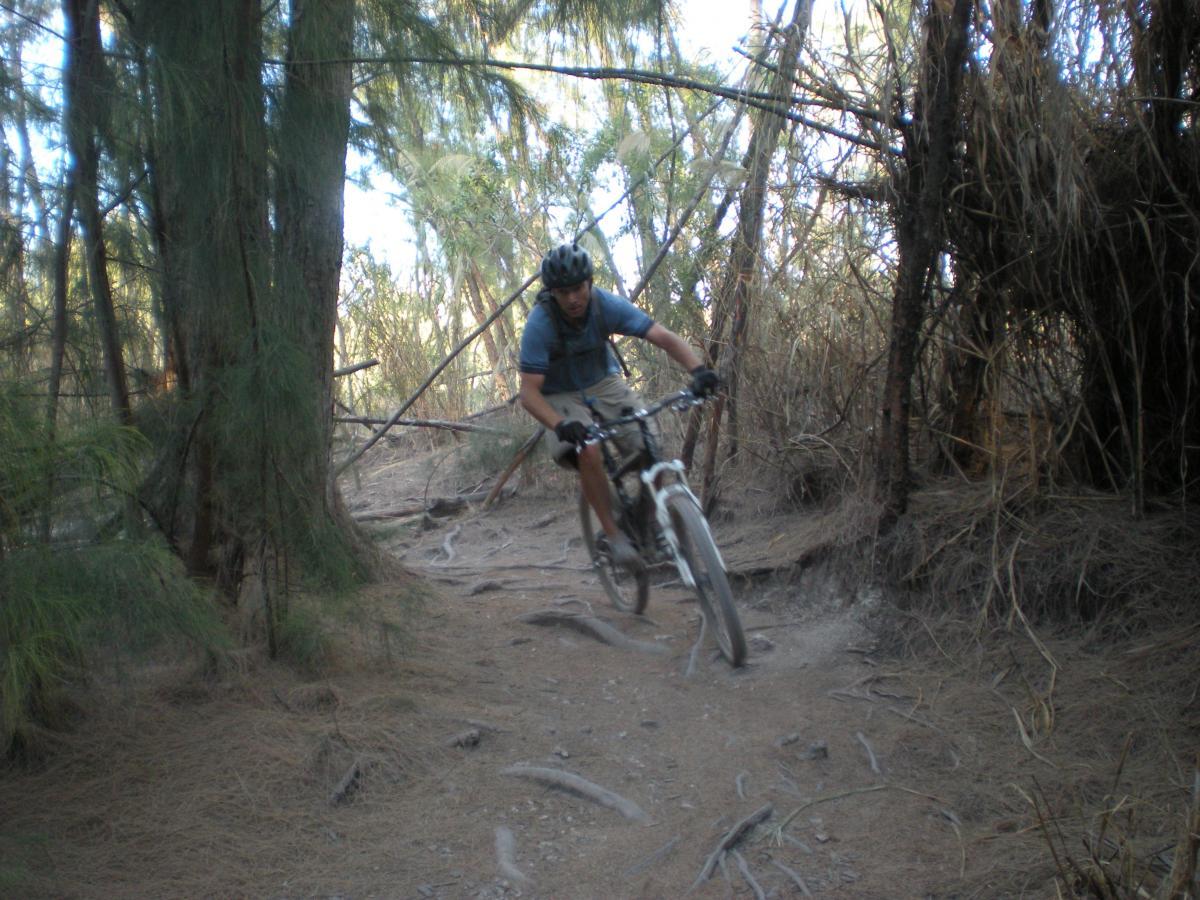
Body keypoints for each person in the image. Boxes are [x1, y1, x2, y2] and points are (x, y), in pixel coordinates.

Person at [518, 242, 719, 572]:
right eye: (563, 291)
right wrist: (559, 424)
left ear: (590, 283)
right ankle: (615, 537)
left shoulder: (604, 306)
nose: (572, 298)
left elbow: (661, 335)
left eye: (578, 288)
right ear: (552, 293)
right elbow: (529, 394)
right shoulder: (540, 324)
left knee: (651, 444)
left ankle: (645, 520)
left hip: (603, 383)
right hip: (558, 393)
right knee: (588, 449)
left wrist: (699, 371)